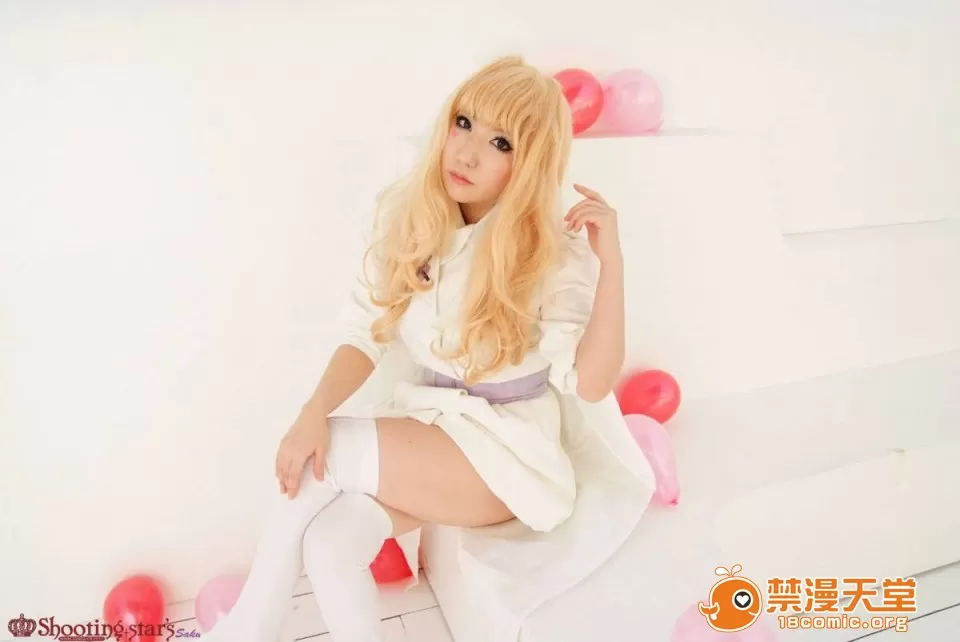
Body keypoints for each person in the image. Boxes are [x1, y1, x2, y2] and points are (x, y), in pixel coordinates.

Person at [200, 55, 655, 642]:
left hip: (507, 455)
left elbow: (590, 384)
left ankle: (246, 631)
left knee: (324, 453)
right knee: (332, 543)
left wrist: (612, 262)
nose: (466, 152)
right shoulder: (410, 215)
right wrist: (313, 408)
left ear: (529, 163)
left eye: (500, 143)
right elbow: (364, 330)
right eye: (463, 123)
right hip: (434, 424)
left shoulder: (551, 253)